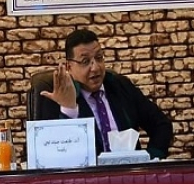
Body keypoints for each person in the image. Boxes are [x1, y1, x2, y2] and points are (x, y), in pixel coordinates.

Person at [39, 29, 173, 159]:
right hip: (89, 174)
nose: (95, 67)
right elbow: (56, 153)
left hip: (128, 171)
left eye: (99, 58)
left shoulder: (120, 86)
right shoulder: (57, 98)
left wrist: (150, 160)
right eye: (85, 62)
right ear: (69, 67)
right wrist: (69, 109)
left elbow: (161, 125)